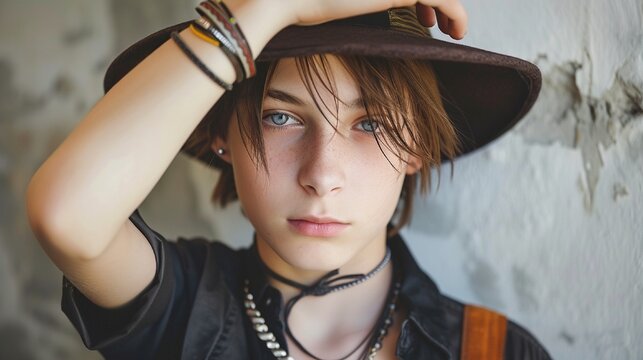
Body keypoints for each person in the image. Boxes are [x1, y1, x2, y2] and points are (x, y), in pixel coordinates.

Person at [26, 0, 551, 359]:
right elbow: (67, 218)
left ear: (416, 145)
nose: (322, 176)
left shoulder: (494, 350)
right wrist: (273, 6)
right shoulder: (183, 308)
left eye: (371, 124)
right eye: (280, 117)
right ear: (220, 135)